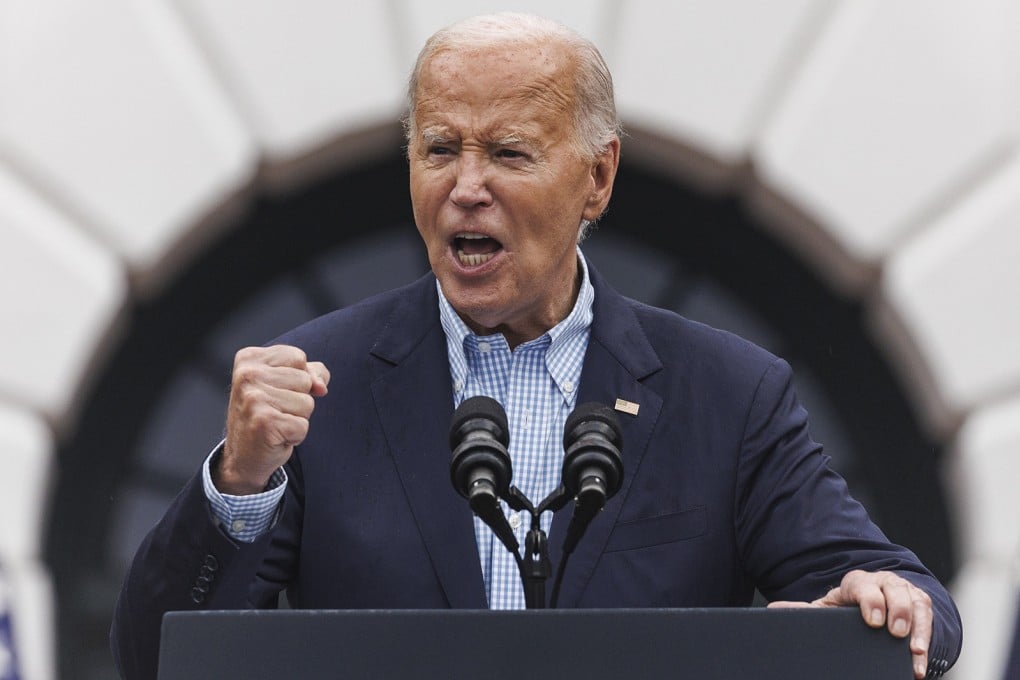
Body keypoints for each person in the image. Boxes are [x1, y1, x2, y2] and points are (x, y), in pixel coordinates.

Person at [111, 12, 961, 680]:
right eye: (439, 149)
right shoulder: (317, 388)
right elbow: (156, 659)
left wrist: (889, 600)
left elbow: (913, 602)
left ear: (598, 176)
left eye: (509, 153)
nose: (466, 187)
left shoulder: (727, 394)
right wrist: (240, 481)